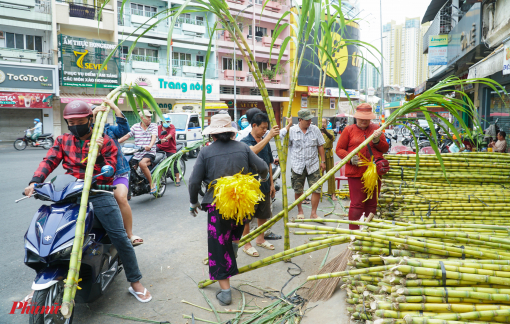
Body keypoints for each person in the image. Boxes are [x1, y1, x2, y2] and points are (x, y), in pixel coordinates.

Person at [23, 100, 151, 303]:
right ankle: (41, 281)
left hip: (99, 190)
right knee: (51, 234)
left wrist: (99, 155)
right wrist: (35, 181)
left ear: (90, 119)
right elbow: (49, 160)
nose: (75, 125)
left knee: (119, 236)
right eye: (70, 121)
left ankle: (135, 282)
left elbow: (109, 169)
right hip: (73, 189)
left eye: (79, 120)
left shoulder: (104, 140)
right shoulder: (63, 140)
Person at [188, 114, 268, 306]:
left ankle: (225, 292)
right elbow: (263, 167)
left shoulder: (206, 152)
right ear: (231, 132)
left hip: (219, 205)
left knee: (218, 247)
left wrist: (193, 203)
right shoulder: (242, 147)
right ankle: (232, 250)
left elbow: (194, 181)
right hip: (241, 204)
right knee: (233, 237)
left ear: (213, 135)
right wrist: (263, 179)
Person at [92, 99, 143, 246]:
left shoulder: (110, 130)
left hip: (118, 172)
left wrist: (114, 107)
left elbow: (124, 129)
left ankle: (130, 234)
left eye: (101, 114)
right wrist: (92, 115)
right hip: (96, 176)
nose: (99, 117)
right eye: (95, 114)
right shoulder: (86, 133)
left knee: (120, 197)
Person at [335, 103, 388, 230]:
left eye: (367, 118)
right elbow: (339, 149)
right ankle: (354, 233)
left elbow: (385, 148)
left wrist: (377, 141)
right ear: (356, 117)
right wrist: (349, 158)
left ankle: (368, 230)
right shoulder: (349, 130)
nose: (364, 120)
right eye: (361, 118)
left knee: (372, 203)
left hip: (374, 172)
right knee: (357, 204)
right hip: (355, 172)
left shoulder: (376, 128)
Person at [240, 113, 279, 257]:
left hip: (264, 184)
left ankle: (260, 239)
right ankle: (247, 243)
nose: (265, 131)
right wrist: (268, 137)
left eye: (266, 129)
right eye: (262, 128)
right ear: (254, 125)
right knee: (247, 217)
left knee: (263, 213)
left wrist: (271, 184)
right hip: (249, 185)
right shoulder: (244, 142)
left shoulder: (266, 142)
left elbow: (268, 163)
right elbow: (252, 152)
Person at [280, 109, 326, 220]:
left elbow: (320, 145)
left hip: (313, 164)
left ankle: (313, 213)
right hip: (297, 165)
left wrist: (323, 161)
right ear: (300, 120)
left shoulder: (315, 129)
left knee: (316, 189)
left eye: (310, 119)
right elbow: (280, 136)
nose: (310, 121)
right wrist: (288, 125)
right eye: (307, 120)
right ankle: (300, 211)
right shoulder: (291, 131)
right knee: (298, 189)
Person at [119, 111, 158, 194]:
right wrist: (116, 142)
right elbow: (127, 136)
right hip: (137, 153)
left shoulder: (153, 126)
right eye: (148, 117)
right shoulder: (135, 127)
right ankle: (128, 191)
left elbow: (154, 137)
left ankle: (152, 184)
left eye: (150, 117)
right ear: (142, 118)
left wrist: (150, 146)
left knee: (142, 164)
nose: (150, 118)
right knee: (128, 169)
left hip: (149, 152)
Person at [157, 116, 181, 186]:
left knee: (173, 162)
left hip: (170, 148)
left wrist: (165, 138)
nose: (167, 123)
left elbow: (171, 134)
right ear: (161, 122)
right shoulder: (158, 128)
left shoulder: (171, 127)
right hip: (160, 146)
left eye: (168, 122)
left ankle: (177, 178)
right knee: (151, 156)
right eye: (165, 122)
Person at [321, 118, 337, 201]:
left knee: (330, 174)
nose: (323, 124)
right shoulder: (317, 132)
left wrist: (325, 132)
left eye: (324, 123)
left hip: (328, 154)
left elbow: (332, 138)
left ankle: (332, 194)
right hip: (320, 155)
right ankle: (318, 193)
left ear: (327, 124)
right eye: (322, 122)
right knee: (319, 174)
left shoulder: (330, 131)